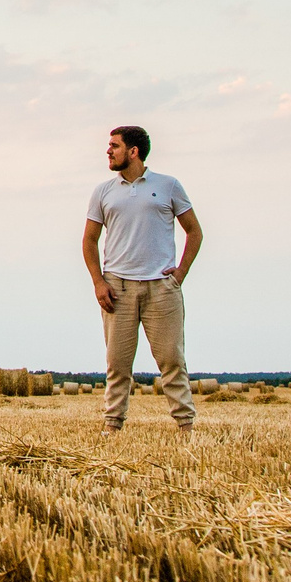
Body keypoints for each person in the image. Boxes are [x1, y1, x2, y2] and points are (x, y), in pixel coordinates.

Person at [82, 124, 201, 433]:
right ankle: (112, 426)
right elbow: (89, 241)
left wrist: (180, 274)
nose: (108, 151)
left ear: (133, 152)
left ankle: (186, 427)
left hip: (161, 289)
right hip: (117, 288)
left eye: (114, 146)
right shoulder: (103, 191)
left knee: (172, 361)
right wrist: (98, 282)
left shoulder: (168, 185)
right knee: (117, 366)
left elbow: (194, 231)